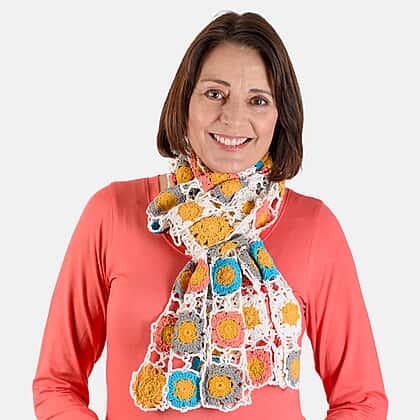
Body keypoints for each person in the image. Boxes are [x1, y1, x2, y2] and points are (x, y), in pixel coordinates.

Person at [32, 10, 388, 419]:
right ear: (184, 101)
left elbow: (361, 400)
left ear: (280, 116)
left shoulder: (316, 229)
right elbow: (56, 383)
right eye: (215, 93)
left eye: (258, 100)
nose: (233, 118)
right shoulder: (111, 213)